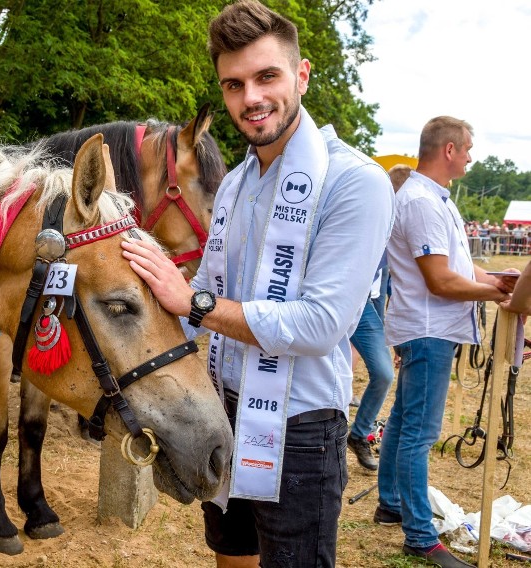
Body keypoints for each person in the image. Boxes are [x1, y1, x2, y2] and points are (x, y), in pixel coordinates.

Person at [120, 2, 394, 565]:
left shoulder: (355, 182)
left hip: (301, 426)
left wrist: (191, 300)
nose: (251, 98)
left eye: (267, 76)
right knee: (231, 555)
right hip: (223, 403)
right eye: (234, 84)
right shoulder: (236, 182)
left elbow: (320, 325)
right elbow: (219, 287)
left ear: (302, 75)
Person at [377, 116, 516, 568]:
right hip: (427, 328)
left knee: (402, 422)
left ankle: (391, 503)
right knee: (420, 433)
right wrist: (496, 291)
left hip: (430, 327)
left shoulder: (435, 199)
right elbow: (439, 281)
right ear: (450, 150)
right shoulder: (420, 201)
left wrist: (497, 278)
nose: (472, 157)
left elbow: (462, 267)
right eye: (469, 149)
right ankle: (419, 535)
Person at [347, 164, 413, 469]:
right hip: (336, 302)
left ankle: (358, 433)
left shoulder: (397, 229)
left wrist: (393, 336)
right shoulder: (368, 216)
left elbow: (386, 286)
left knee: (384, 373)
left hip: (365, 309)